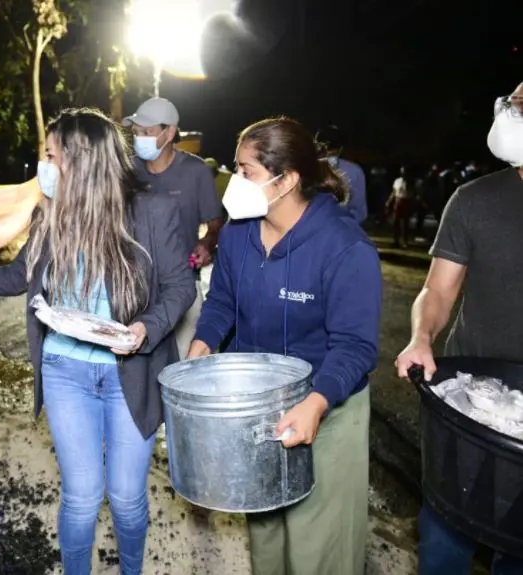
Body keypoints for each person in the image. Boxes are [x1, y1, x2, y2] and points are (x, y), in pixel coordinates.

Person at [0, 108, 195, 575]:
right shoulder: (50, 217)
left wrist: (145, 328)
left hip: (131, 370)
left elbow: (181, 288)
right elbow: (15, 277)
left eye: (50, 155)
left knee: (126, 498)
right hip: (65, 371)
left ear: (81, 159)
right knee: (81, 497)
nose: (43, 165)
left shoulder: (151, 211)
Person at [187, 117, 382, 575]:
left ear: (287, 179)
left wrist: (317, 402)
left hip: (327, 409)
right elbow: (222, 301)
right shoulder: (239, 232)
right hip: (260, 406)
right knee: (266, 532)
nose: (234, 181)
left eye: (246, 171)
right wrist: (203, 343)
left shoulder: (344, 246)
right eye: (235, 168)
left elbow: (355, 345)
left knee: (319, 549)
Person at [395, 83, 523, 575]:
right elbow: (439, 290)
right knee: (445, 540)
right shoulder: (473, 200)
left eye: (519, 106)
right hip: (474, 405)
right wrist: (421, 337)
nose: (508, 112)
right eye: (511, 102)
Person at [123, 97, 222, 359]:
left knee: (188, 363)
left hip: (181, 285)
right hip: (135, 289)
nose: (139, 138)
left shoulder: (196, 171)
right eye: (136, 132)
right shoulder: (127, 172)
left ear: (169, 133)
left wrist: (207, 243)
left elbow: (215, 223)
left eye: (147, 132)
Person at [317, 125, 368, 223]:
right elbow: (360, 213)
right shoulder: (355, 171)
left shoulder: (303, 169)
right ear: (341, 148)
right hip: (343, 228)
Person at [386, 166, 413, 247]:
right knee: (396, 221)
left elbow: (413, 193)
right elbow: (394, 192)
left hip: (406, 201)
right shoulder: (397, 181)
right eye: (402, 171)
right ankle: (396, 240)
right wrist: (389, 201)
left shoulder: (411, 182)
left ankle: (404, 241)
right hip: (398, 201)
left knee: (404, 223)